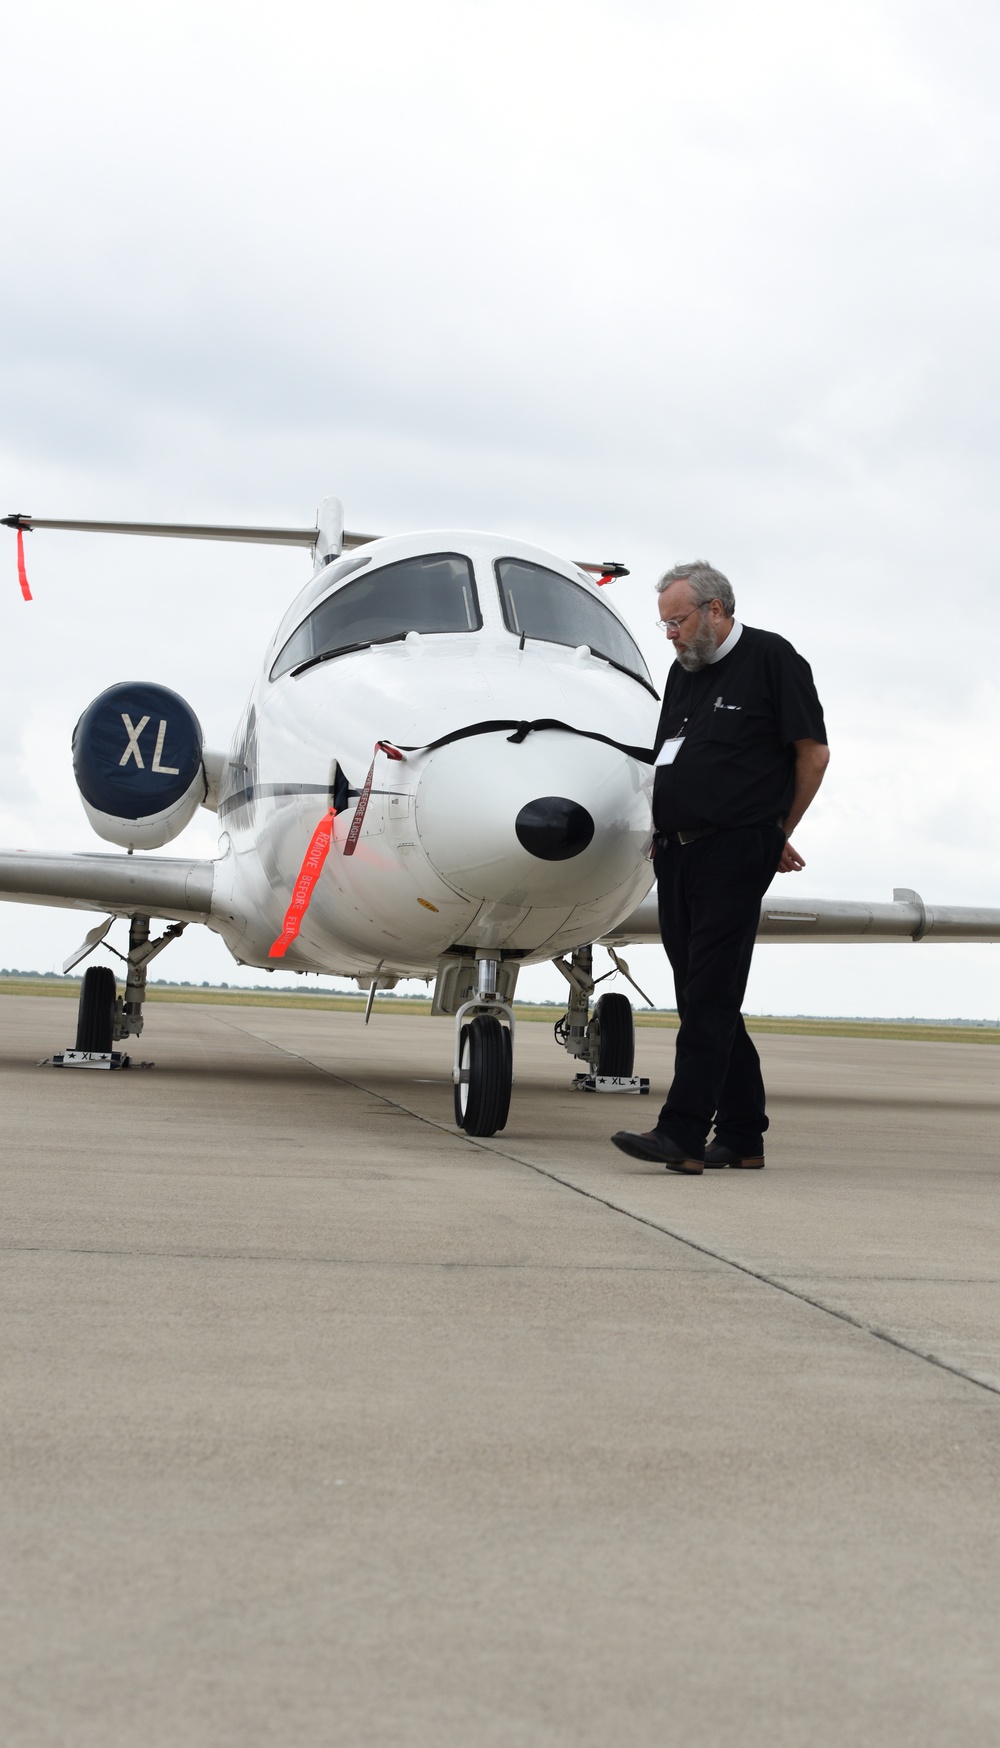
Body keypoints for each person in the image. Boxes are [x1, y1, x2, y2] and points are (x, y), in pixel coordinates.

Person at [612, 561, 829, 1176]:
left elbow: (812, 753)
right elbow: (670, 760)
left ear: (715, 609)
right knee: (703, 993)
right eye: (663, 625)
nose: (671, 635)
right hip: (677, 848)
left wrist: (774, 829)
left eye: (676, 621)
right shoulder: (683, 677)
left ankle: (681, 1133)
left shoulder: (771, 659)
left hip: (736, 848)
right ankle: (741, 1133)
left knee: (709, 991)